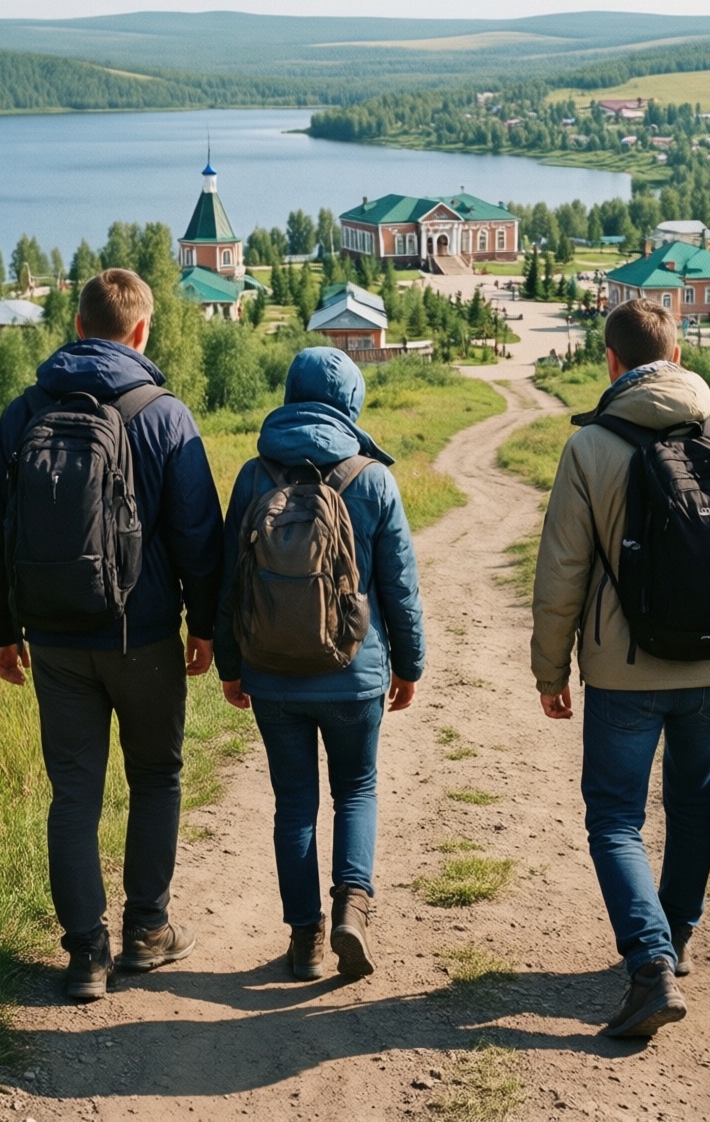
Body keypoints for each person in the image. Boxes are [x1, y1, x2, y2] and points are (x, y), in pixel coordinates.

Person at [529, 298, 710, 1038]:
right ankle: (673, 939)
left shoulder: (590, 449)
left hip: (622, 671)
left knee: (614, 817)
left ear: (612, 363)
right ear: (677, 357)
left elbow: (562, 574)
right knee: (689, 806)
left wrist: (551, 672)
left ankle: (649, 966)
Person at [0, 268, 223, 1000]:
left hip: (52, 639)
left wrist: (1, 630)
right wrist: (204, 625)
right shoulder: (165, 415)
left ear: (77, 326)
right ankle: (147, 931)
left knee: (74, 794)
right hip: (142, 638)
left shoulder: (24, 412)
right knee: (155, 777)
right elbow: (198, 535)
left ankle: (85, 955)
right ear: (140, 331)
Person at [215, 347, 425, 982]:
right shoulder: (372, 479)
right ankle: (352, 913)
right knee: (356, 789)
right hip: (354, 673)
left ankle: (304, 941)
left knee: (294, 802)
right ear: (352, 405)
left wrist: (231, 663)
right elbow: (400, 586)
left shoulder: (255, 476)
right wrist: (408, 665)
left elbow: (230, 579)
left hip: (272, 671)